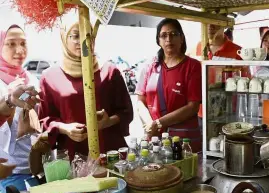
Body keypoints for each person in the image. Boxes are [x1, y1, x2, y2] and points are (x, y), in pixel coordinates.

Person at [38, 18, 133, 159]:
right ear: (64, 38)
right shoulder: (50, 77)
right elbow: (44, 120)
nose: (83, 41)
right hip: (73, 155)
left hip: (111, 153)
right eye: (76, 35)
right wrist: (65, 129)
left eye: (88, 35)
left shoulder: (110, 71)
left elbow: (126, 111)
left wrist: (108, 121)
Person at [136, 18, 202, 152]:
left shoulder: (192, 66)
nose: (168, 39)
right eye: (164, 35)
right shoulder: (150, 66)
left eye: (173, 34)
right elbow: (140, 102)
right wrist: (150, 124)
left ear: (181, 38)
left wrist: (159, 123)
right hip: (155, 137)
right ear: (158, 40)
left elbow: (193, 107)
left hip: (183, 140)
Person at [0, 25, 40, 193]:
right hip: (7, 172)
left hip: (33, 169)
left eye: (23, 43)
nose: (19, 50)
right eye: (11, 44)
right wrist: (9, 101)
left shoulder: (30, 79)